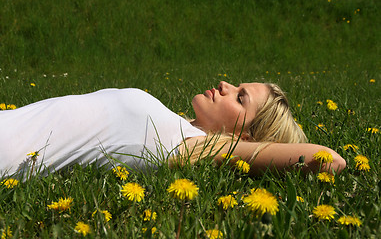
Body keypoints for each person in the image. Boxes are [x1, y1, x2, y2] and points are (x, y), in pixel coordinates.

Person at [0, 81, 346, 178]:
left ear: (245, 137)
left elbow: (329, 160)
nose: (224, 84)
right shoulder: (178, 126)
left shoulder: (195, 147)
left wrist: (240, 152)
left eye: (240, 99)